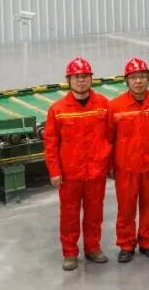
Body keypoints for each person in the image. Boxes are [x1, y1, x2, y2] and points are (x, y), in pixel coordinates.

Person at [43, 57, 112, 272]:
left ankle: (93, 248)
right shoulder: (58, 109)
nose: (81, 80)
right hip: (70, 174)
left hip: (96, 172)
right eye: (77, 77)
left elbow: (111, 137)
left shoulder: (103, 105)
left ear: (91, 79)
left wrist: (108, 164)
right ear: (69, 80)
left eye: (85, 76)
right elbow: (51, 144)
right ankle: (70, 253)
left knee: (95, 213)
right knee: (69, 215)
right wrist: (54, 171)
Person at [108, 57, 149, 263]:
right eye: (134, 77)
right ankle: (126, 244)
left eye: (142, 76)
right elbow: (108, 139)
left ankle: (147, 242)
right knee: (126, 208)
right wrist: (110, 166)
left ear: (148, 79)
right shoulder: (115, 106)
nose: (138, 81)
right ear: (127, 80)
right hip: (126, 168)